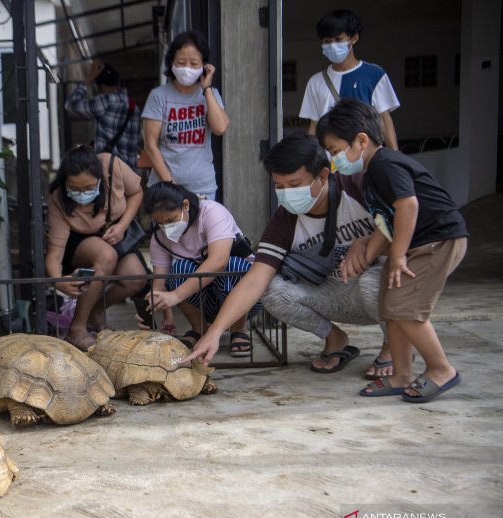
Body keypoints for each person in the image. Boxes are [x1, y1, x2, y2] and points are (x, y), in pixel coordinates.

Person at [182, 133, 390, 371]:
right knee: (272, 290)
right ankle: (334, 337)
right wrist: (216, 332)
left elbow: (406, 229)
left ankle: (393, 345)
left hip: (382, 295)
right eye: (279, 186)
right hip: (332, 295)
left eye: (294, 185)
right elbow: (254, 282)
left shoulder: (357, 189)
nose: (287, 193)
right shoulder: (285, 220)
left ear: (323, 175)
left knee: (373, 281)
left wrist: (366, 242)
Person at [316, 99, 468, 402]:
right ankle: (400, 374)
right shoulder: (373, 173)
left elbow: (407, 205)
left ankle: (441, 369)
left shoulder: (385, 163)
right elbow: (385, 225)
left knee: (407, 310)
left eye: (335, 151)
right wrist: (363, 258)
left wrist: (397, 256)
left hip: (437, 241)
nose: (335, 161)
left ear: (361, 140)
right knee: (391, 307)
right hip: (419, 244)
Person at [46, 145, 147, 352]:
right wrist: (58, 281)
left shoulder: (113, 166)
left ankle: (94, 312)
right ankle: (77, 329)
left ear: (101, 178)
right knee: (106, 255)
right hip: (79, 241)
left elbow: (136, 193)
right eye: (75, 189)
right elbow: (54, 254)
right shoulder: (59, 199)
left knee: (136, 277)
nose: (82, 194)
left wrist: (122, 226)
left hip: (114, 233)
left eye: (89, 188)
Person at [140, 182, 258, 356]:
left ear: (185, 205)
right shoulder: (159, 239)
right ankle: (199, 328)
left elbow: (219, 260)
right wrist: (150, 307)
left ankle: (239, 329)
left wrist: (176, 295)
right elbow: (160, 284)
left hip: (246, 297)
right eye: (160, 223)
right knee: (179, 269)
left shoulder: (211, 212)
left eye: (170, 220)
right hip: (204, 300)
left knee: (234, 265)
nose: (166, 227)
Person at [142, 30, 230, 200]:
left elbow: (220, 128)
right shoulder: (158, 96)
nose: (186, 69)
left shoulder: (210, 94)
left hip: (203, 189)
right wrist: (171, 185)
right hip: (165, 190)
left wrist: (207, 88)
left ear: (204, 65)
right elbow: (150, 146)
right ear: (171, 62)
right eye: (181, 62)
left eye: (194, 63)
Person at [299, 9, 400, 150]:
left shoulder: (375, 75)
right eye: (327, 41)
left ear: (354, 38)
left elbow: (383, 119)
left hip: (367, 160)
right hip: (331, 162)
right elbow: (314, 127)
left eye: (338, 39)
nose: (332, 45)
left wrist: (395, 157)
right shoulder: (315, 82)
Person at [64, 60, 141, 170]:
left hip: (110, 173)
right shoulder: (134, 107)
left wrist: (88, 79)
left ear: (99, 86)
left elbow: (70, 105)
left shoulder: (104, 101)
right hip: (130, 174)